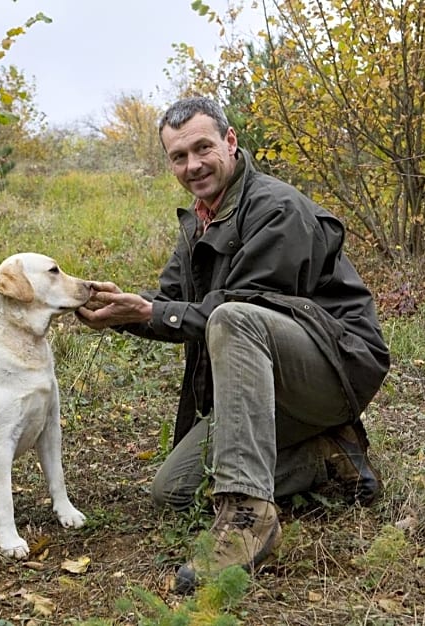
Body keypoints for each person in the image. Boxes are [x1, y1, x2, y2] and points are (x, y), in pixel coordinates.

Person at [75, 96, 390, 593]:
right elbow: (173, 307)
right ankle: (330, 457)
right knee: (173, 492)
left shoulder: (277, 208)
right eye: (178, 157)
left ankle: (248, 516)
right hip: (269, 383)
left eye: (203, 148)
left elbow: (239, 311)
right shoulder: (200, 219)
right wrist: (123, 313)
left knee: (234, 317)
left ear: (230, 141)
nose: (192, 165)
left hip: (334, 368)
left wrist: (154, 310)